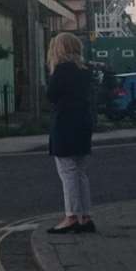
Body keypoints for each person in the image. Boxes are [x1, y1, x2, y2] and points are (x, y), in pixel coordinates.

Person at [44, 32, 96, 235]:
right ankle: (86, 217)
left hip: (65, 123)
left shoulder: (61, 70)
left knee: (67, 172)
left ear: (59, 49)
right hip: (83, 123)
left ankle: (71, 216)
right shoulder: (85, 70)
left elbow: (51, 95)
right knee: (80, 172)